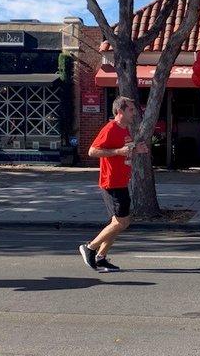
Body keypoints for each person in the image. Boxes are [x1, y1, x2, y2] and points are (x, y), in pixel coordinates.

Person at [79, 96, 148, 271]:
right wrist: (118, 151)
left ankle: (101, 257)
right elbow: (92, 151)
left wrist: (136, 149)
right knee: (122, 222)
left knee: (117, 222)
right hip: (111, 182)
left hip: (121, 181)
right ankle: (90, 248)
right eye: (131, 110)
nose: (134, 113)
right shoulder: (110, 128)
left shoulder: (125, 129)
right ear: (120, 111)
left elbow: (126, 151)